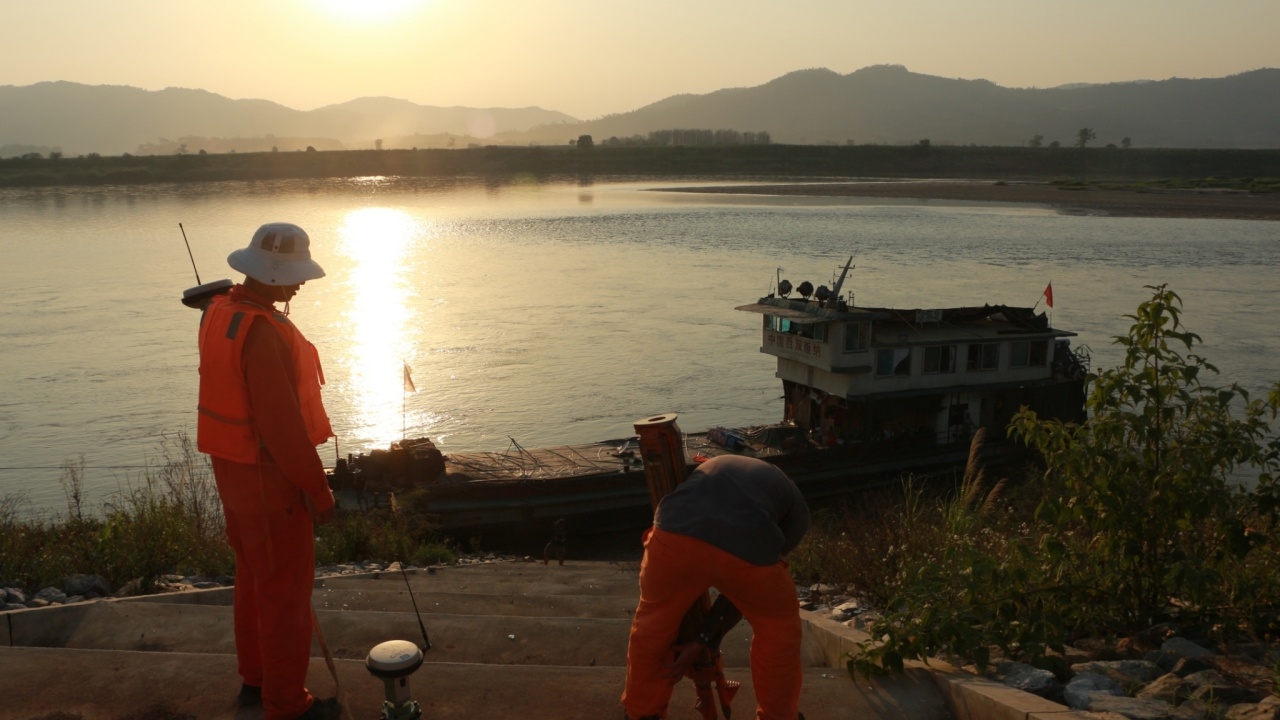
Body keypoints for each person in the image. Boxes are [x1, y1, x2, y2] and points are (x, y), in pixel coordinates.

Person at [196, 222, 340, 720]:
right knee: (285, 597)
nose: (300, 284)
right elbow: (282, 429)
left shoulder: (220, 314)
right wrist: (319, 492)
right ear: (272, 276)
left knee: (254, 582)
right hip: (270, 481)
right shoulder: (262, 334)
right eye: (294, 276)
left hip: (233, 476)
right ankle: (287, 704)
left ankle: (256, 682)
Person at [621, 455, 811, 720]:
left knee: (653, 624)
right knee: (777, 629)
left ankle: (642, 713)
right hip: (742, 546)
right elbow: (747, 586)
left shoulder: (726, 465)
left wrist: (701, 641)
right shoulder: (798, 513)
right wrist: (703, 640)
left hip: (670, 535)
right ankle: (778, 716)